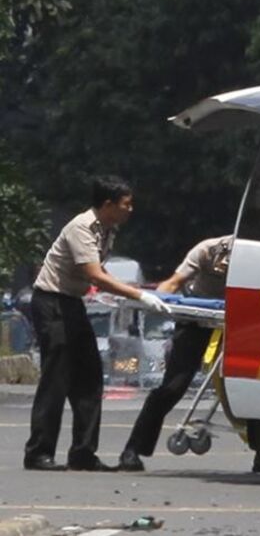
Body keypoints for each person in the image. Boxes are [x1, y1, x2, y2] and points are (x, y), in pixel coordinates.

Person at [24, 176, 171, 472]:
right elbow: (94, 274)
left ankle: (83, 453)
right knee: (56, 378)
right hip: (52, 302)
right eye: (126, 204)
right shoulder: (82, 227)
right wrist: (138, 294)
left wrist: (123, 294)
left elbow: (99, 272)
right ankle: (39, 452)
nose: (130, 210)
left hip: (72, 302)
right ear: (108, 205)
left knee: (90, 377)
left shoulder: (107, 229)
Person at [117, 235, 233, 472]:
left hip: (240, 320)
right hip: (198, 318)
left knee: (247, 384)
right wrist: (156, 302)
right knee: (172, 387)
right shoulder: (206, 250)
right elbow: (173, 282)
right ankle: (133, 449)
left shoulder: (256, 254)